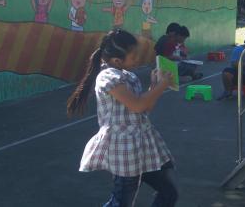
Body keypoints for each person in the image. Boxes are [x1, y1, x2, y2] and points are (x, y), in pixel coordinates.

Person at [67, 29, 178, 207]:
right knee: (121, 202)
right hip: (124, 150)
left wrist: (154, 86)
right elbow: (137, 105)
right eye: (133, 56)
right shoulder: (108, 77)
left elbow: (144, 108)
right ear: (117, 60)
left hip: (143, 147)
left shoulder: (129, 76)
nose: (137, 60)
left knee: (168, 193)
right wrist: (162, 85)